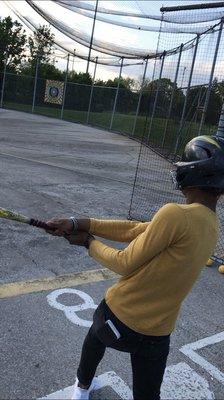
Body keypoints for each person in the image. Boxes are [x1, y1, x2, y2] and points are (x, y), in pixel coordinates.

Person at [45, 135, 224, 400]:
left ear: (191, 173)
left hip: (122, 316)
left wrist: (88, 243)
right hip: (158, 333)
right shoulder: (211, 224)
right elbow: (137, 229)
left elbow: (124, 263)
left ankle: (82, 388)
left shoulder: (176, 213)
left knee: (95, 336)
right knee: (148, 395)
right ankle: (84, 388)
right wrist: (80, 222)